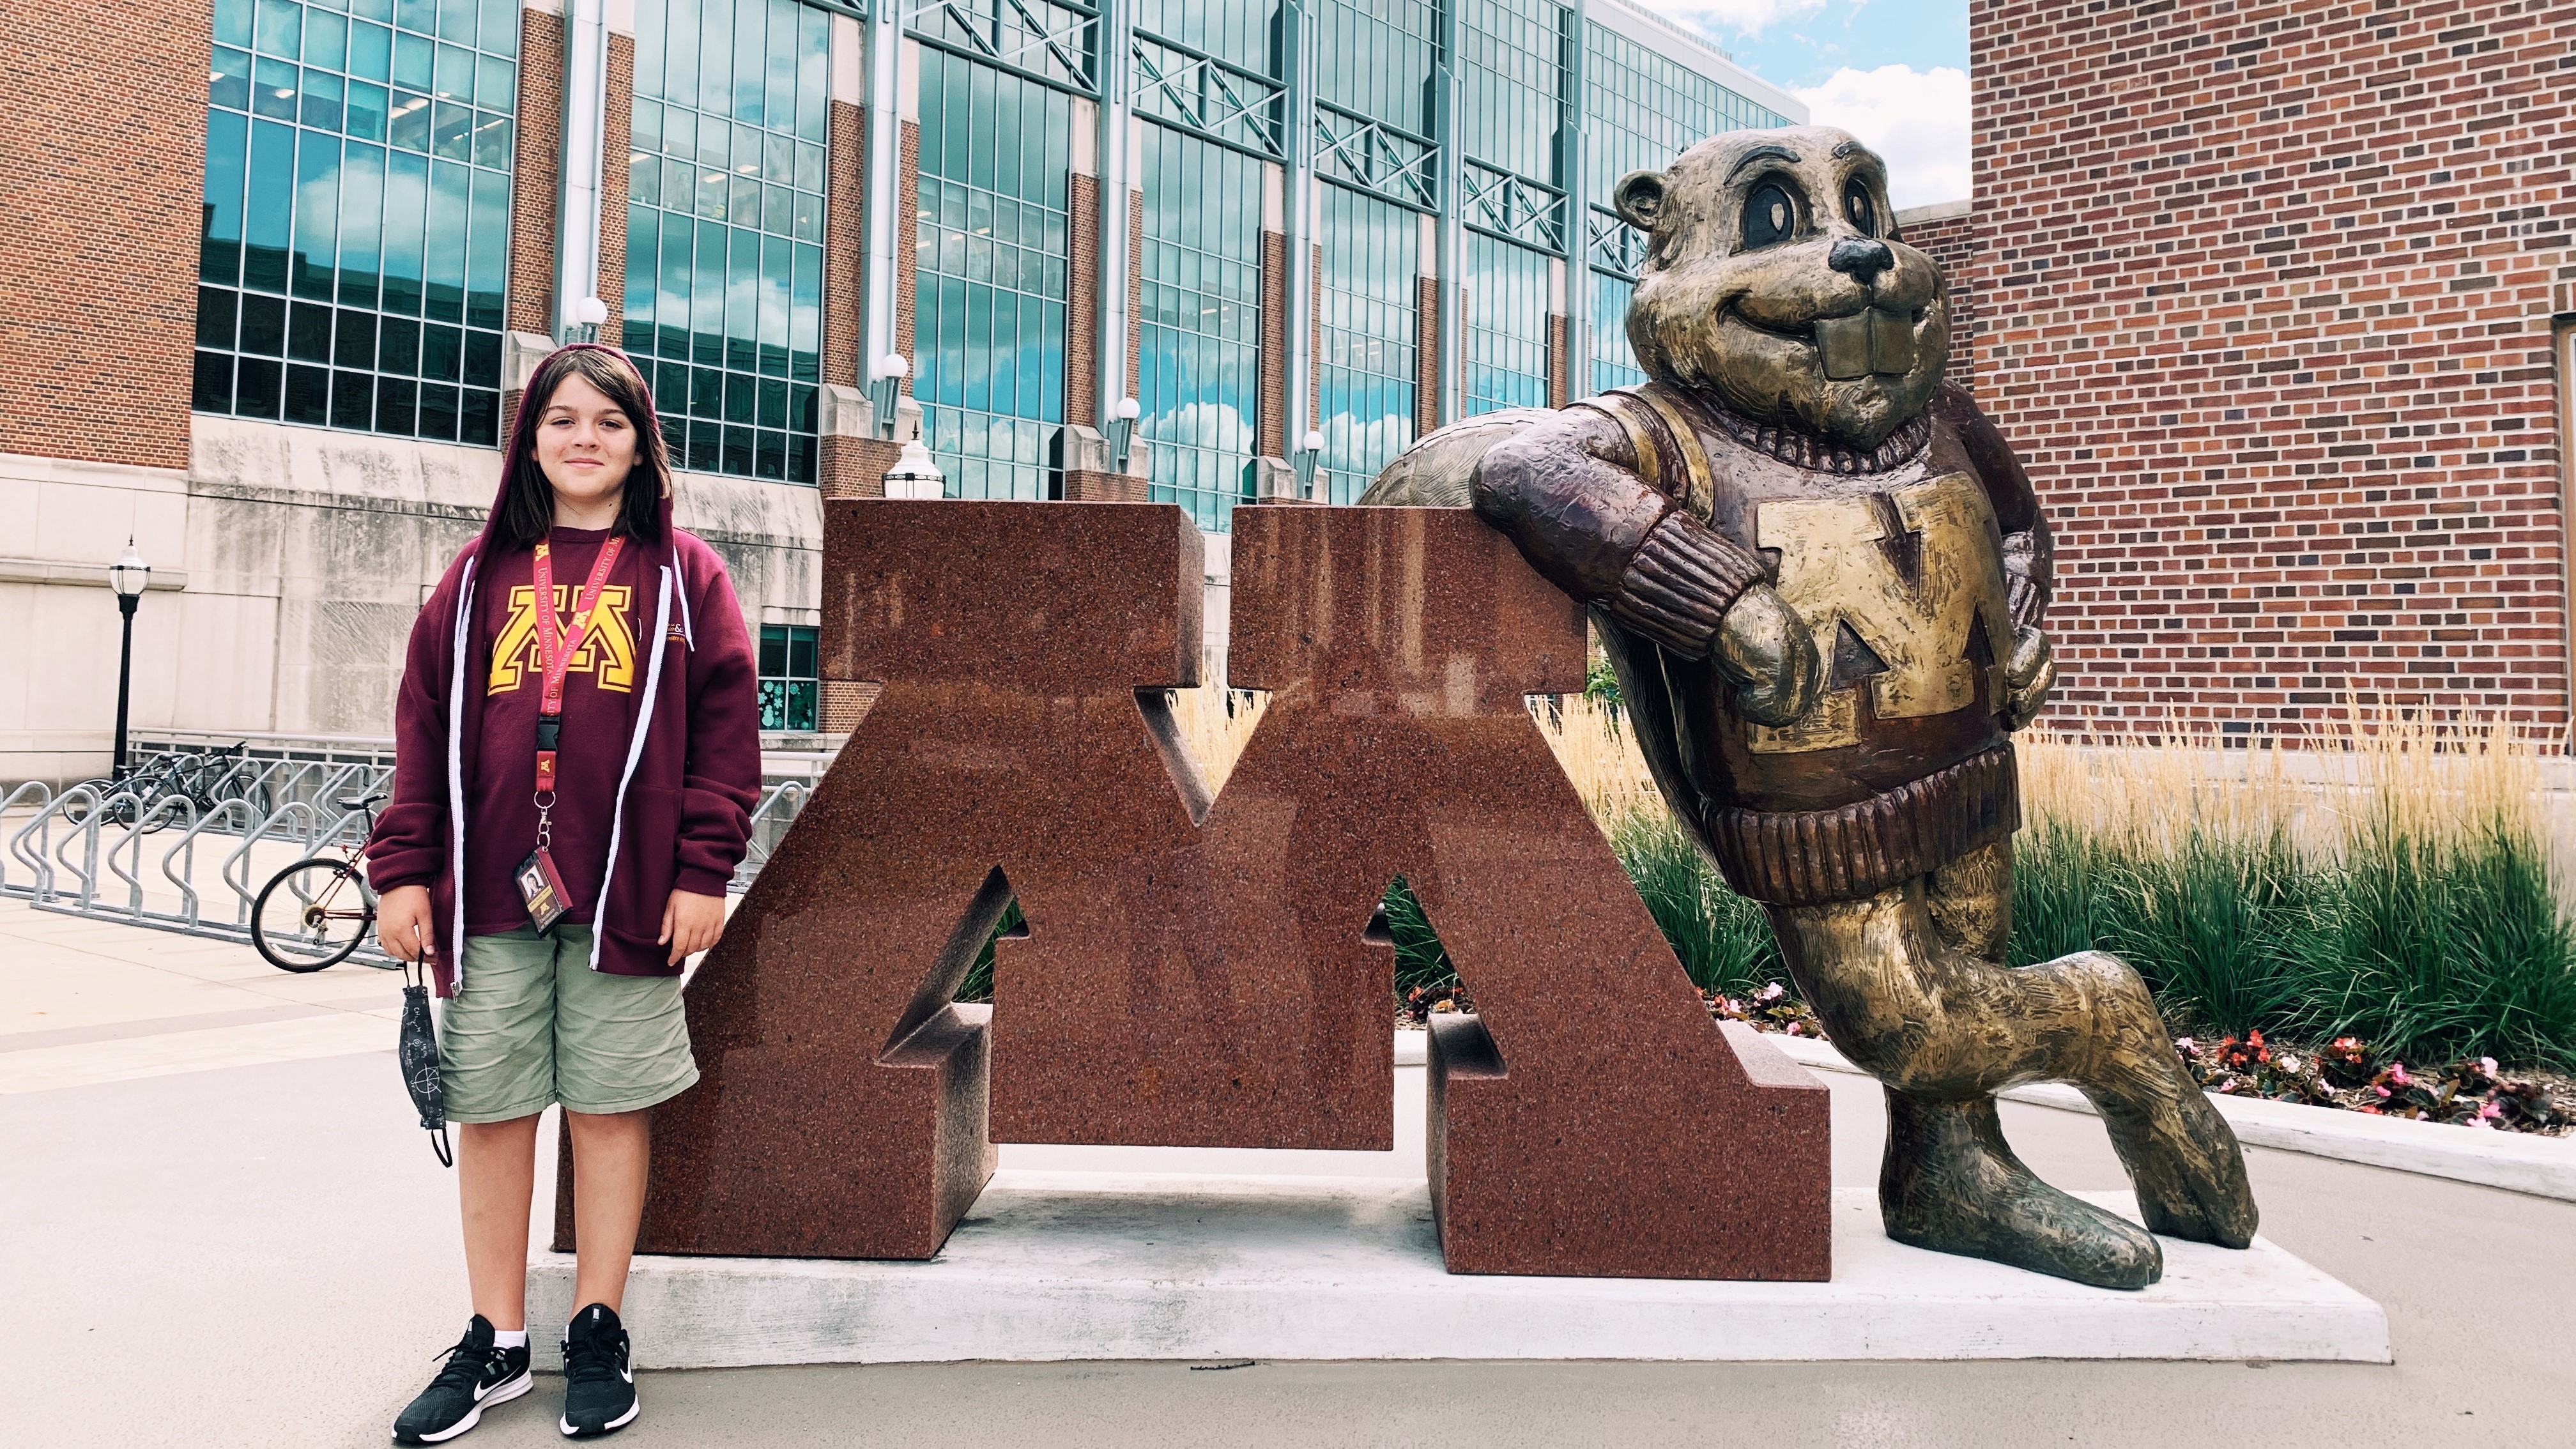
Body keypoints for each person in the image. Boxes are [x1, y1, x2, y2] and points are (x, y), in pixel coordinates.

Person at [365, 344, 762, 1441]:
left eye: (610, 423)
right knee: (489, 1107)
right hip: (491, 891)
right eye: (561, 421)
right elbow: (419, 728)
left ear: (643, 444)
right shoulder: (480, 577)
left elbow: (729, 740)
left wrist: (702, 871)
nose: (584, 439)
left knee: (608, 1103)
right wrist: (403, 868)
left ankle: (598, 1324)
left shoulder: (687, 576)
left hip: (626, 897)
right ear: (530, 442)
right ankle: (496, 1336)